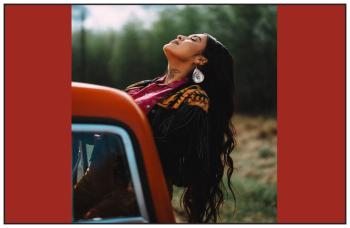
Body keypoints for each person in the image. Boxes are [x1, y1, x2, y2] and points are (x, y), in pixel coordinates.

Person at [124, 33, 238, 223]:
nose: (180, 36)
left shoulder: (194, 99)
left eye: (193, 39)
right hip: (99, 177)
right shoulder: (141, 87)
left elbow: (168, 153)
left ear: (200, 59)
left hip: (135, 190)